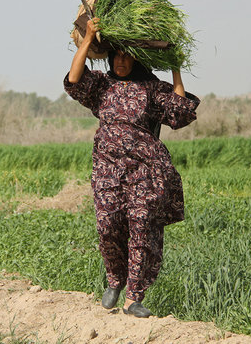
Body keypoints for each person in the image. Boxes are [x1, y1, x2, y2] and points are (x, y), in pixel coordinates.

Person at [63, 18, 200, 318]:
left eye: (127, 55)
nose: (122, 61)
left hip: (145, 170)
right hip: (108, 169)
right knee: (108, 224)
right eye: (117, 55)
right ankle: (115, 279)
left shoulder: (150, 88)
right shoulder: (102, 87)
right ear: (110, 57)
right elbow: (74, 80)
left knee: (142, 228)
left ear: (136, 57)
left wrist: (176, 67)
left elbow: (179, 111)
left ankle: (133, 298)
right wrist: (87, 39)